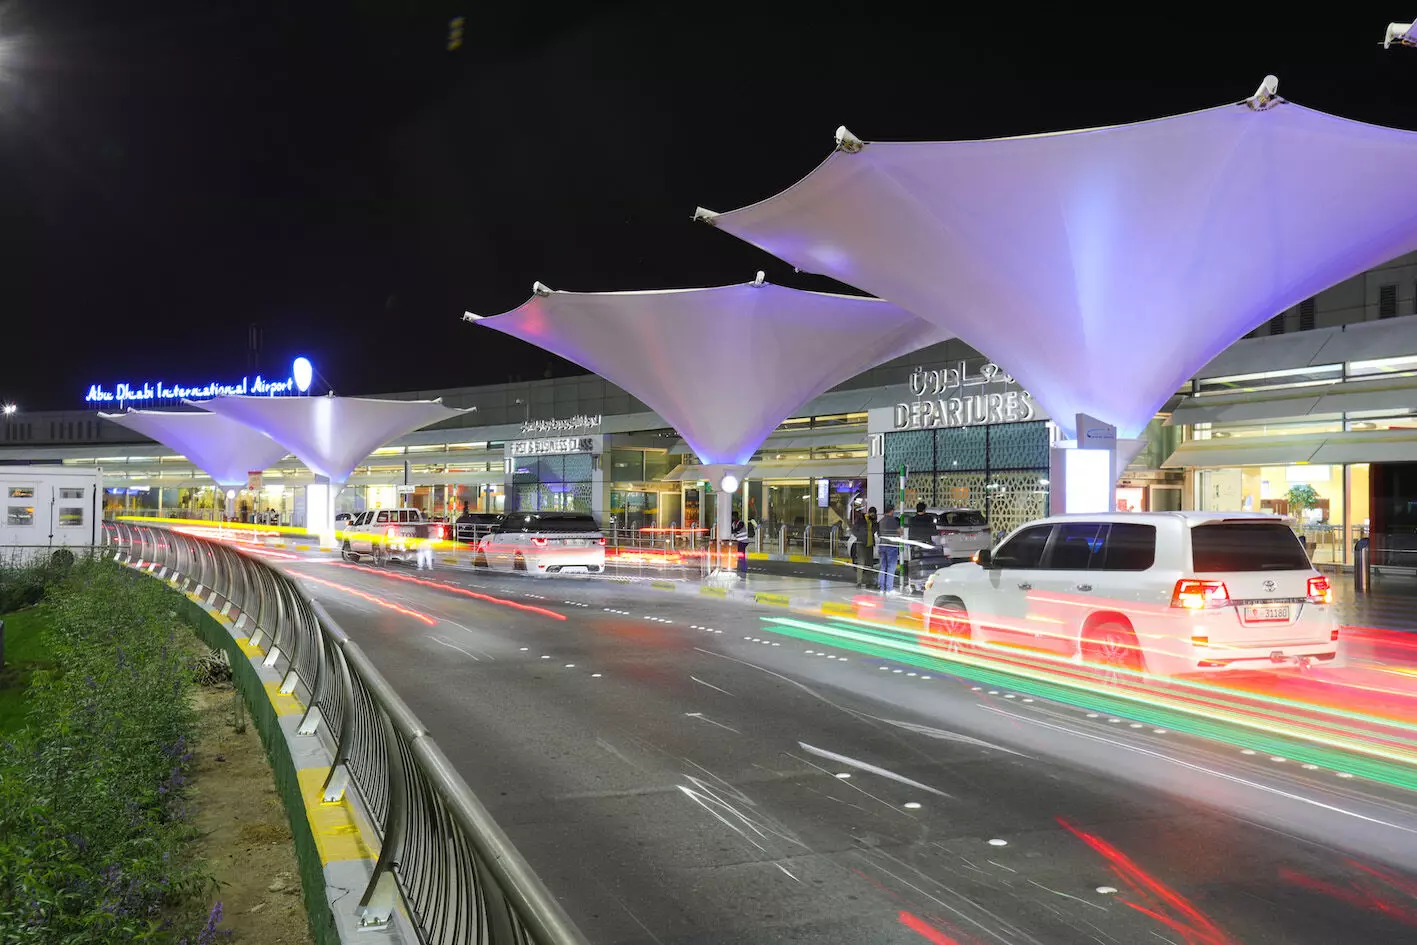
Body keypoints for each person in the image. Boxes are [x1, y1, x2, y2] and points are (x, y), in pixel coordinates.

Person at [877, 503, 901, 593]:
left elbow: (878, 533)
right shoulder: (893, 521)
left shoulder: (881, 521)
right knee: (891, 567)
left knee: (883, 566)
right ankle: (889, 589)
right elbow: (899, 532)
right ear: (891, 511)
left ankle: (882, 588)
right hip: (891, 546)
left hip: (882, 545)